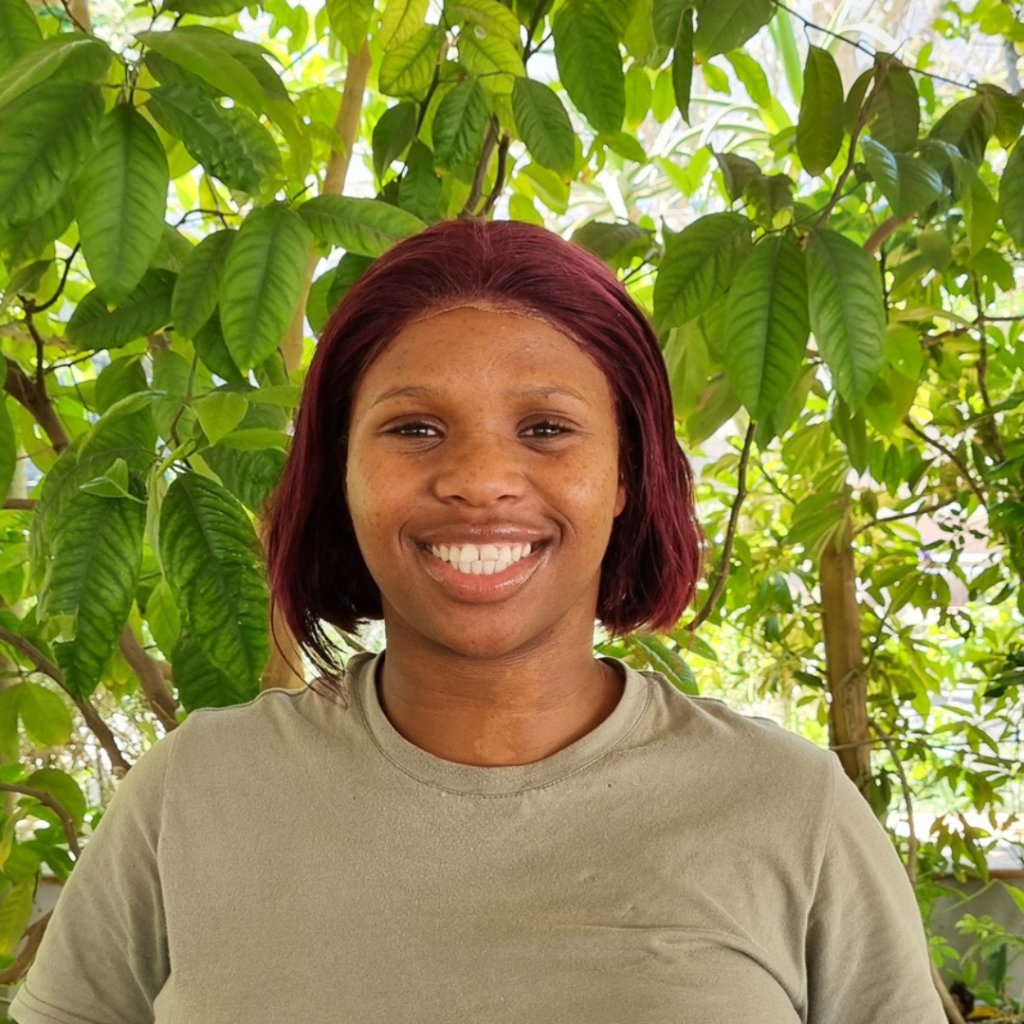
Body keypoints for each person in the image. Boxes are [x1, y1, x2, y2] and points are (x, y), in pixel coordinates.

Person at [10, 219, 946, 1024]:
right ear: (341, 473)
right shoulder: (193, 795)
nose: (480, 480)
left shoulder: (791, 810)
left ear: (627, 474)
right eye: (414, 428)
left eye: (546, 429)